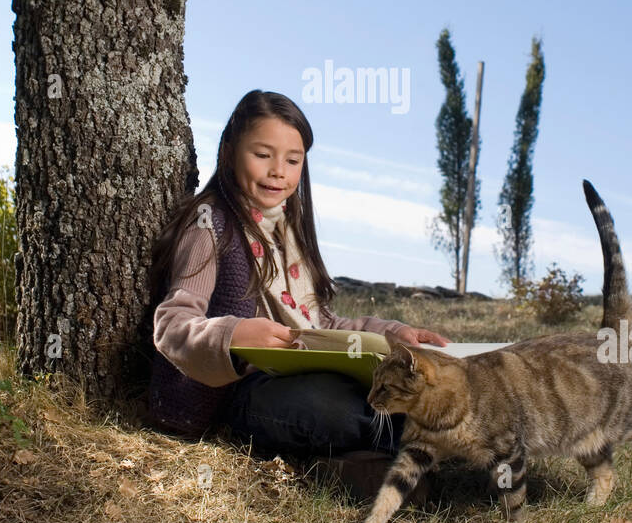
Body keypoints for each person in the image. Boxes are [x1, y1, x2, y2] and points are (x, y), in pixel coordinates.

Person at [147, 89, 448, 490]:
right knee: (333, 408)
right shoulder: (209, 225)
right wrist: (233, 335)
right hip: (241, 393)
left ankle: (356, 466)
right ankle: (436, 442)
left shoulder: (290, 230)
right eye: (262, 154)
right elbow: (173, 323)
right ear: (228, 151)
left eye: (293, 160)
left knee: (379, 390)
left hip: (305, 374)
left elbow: (321, 323)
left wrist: (393, 334)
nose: (279, 172)